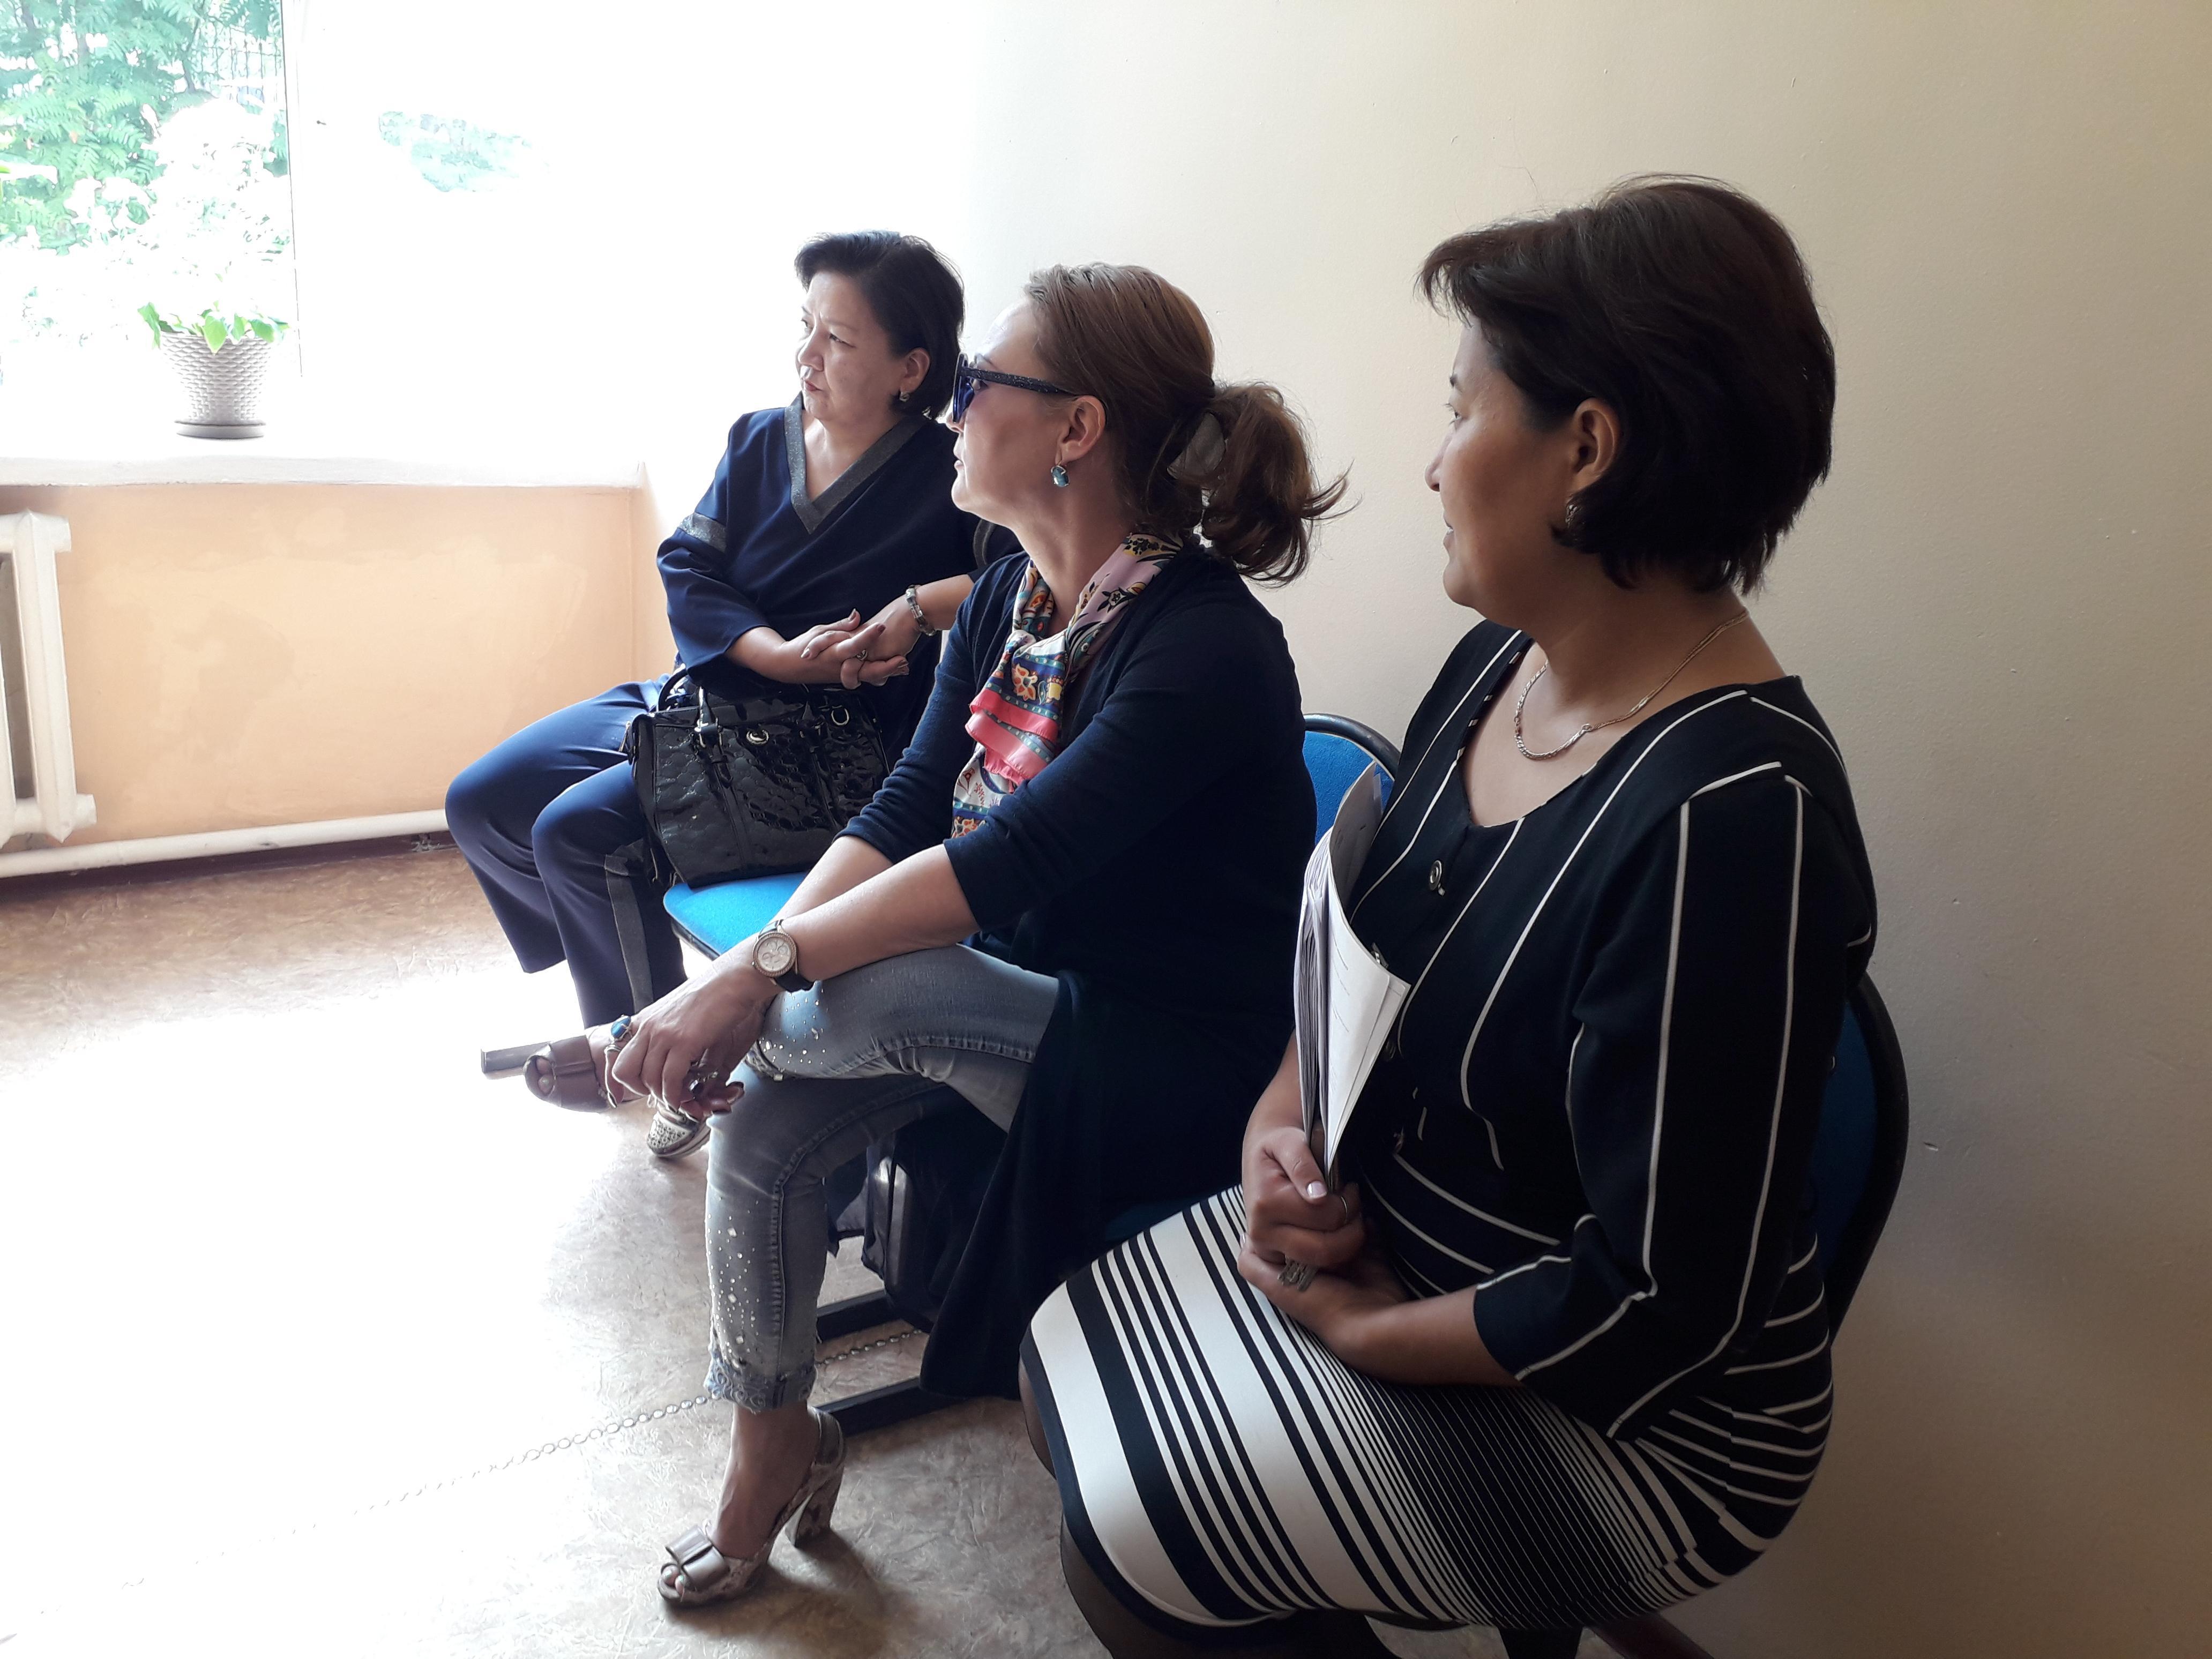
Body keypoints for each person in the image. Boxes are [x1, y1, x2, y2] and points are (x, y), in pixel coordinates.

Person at [1021, 178, 1878, 1659]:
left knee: (1147, 1547)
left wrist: (1369, 1334)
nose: (1431, 464)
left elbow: (1663, 1305)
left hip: (1640, 1414)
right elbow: (1358, 957)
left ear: (1587, 451)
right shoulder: (1501, 667)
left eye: (1461, 410)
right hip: (1411, 1246)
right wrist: (1278, 1133)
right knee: (1057, 1374)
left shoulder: (1734, 816)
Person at [610, 262, 1345, 1606]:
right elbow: (906, 808)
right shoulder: (1012, 593)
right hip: (1029, 995)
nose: (950, 411)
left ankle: (639, 1040)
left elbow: (1005, 865)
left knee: (877, 992)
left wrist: (747, 981)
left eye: (975, 384)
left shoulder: (1204, 649)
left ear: (1078, 428)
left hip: (1175, 1053)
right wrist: (746, 976)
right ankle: (772, 1446)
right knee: (765, 1130)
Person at [444, 231, 1009, 1120]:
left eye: (838, 339)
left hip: (813, 744)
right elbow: (688, 565)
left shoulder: (952, 474)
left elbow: (1028, 576)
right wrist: (770, 652)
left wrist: (917, 603)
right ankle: (637, 989)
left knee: (577, 836)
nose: (807, 356)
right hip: (704, 692)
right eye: (805, 327)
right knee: (482, 802)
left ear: (911, 369)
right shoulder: (758, 439)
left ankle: (652, 1057)